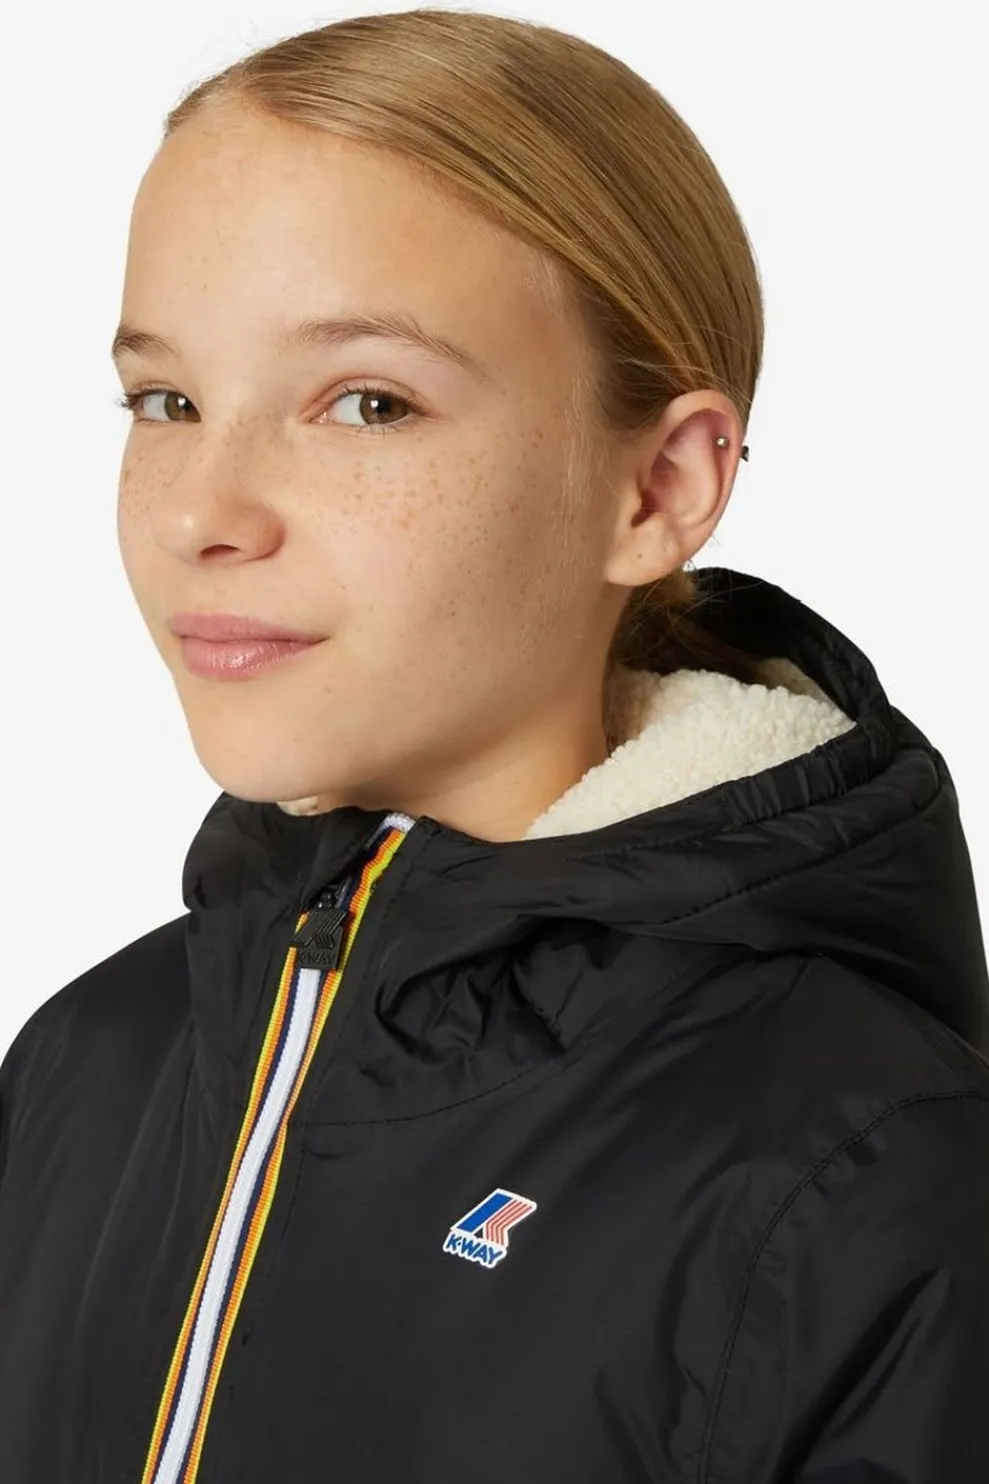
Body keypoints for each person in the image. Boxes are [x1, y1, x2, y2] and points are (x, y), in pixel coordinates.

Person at [1, 7, 987, 1481]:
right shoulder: (88, 1064)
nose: (203, 510)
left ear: (657, 488)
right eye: (168, 399)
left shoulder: (872, 1177)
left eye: (367, 403)